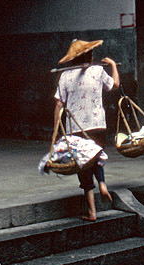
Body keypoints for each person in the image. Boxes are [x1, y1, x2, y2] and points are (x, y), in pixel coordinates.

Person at [51, 38, 120, 221]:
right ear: (90, 57)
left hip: (76, 127)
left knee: (83, 164)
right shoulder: (98, 70)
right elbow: (115, 85)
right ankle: (103, 184)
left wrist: (56, 129)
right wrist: (113, 65)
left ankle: (92, 211)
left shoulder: (65, 76)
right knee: (96, 157)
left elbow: (59, 104)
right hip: (98, 124)